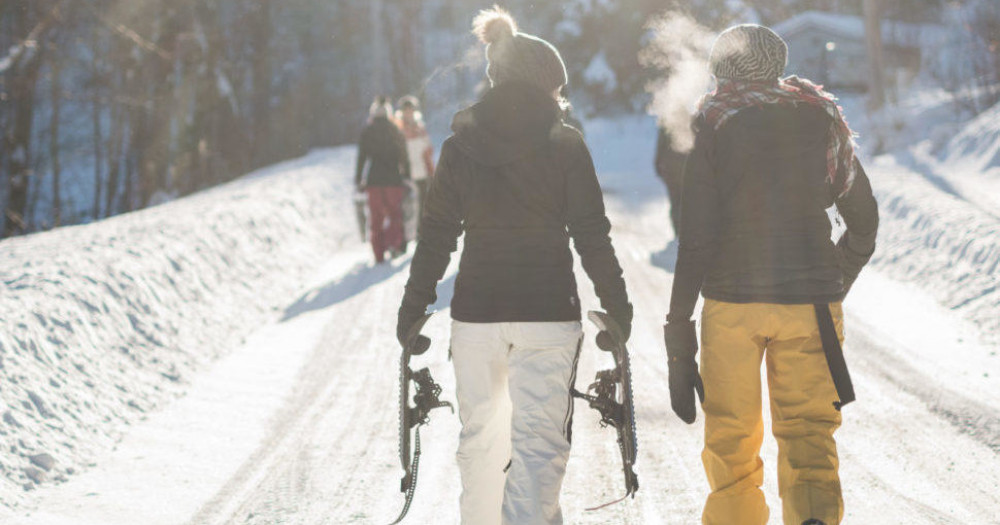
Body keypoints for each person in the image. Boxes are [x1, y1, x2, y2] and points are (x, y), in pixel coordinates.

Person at [396, 7, 632, 525]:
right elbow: (592, 234)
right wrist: (617, 306)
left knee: (480, 441)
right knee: (538, 445)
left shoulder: (461, 146)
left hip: (477, 313)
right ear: (548, 86)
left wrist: (413, 308)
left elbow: (436, 234)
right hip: (548, 313)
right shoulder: (566, 144)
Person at [662, 25, 879, 525]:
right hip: (810, 306)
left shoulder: (712, 121)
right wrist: (833, 281)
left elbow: (696, 238)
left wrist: (678, 330)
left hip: (732, 307)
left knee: (732, 439)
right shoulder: (821, 117)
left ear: (722, 70)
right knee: (809, 434)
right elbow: (864, 220)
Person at [356, 95, 410, 263]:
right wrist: (406, 176)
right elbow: (404, 156)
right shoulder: (395, 130)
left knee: (376, 218)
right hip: (394, 180)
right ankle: (393, 244)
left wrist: (359, 179)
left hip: (374, 181)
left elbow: (362, 157)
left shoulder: (367, 131)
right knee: (395, 215)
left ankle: (378, 253)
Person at [396, 95, 436, 233]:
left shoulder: (420, 128)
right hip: (405, 174)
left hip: (422, 172)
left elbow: (429, 150)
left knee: (422, 206)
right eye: (406, 110)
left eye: (411, 110)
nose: (409, 113)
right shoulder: (398, 129)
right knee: (405, 207)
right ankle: (404, 238)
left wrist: (431, 170)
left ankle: (421, 233)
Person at [654, 126, 687, 235]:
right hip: (685, 167)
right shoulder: (692, 116)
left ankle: (678, 230)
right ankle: (684, 229)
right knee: (686, 200)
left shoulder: (667, 118)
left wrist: (658, 164)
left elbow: (661, 145)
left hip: (670, 168)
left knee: (675, 200)